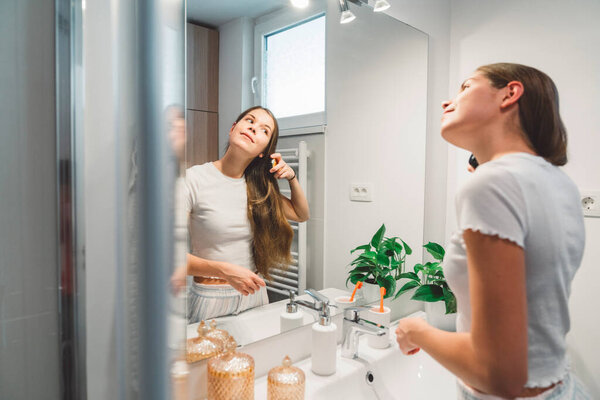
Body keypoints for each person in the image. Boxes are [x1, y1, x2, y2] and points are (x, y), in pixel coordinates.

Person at [395, 63, 590, 399]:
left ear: (510, 93)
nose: (447, 102)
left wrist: (416, 330)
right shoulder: (560, 183)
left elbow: (499, 374)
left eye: (466, 87)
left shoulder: (494, 182)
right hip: (564, 386)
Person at [173, 106, 309, 323]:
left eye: (264, 130)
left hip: (254, 297)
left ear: (264, 151)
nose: (254, 128)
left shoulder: (259, 187)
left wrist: (292, 177)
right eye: (250, 121)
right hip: (210, 299)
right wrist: (224, 271)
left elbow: (301, 214)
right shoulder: (193, 179)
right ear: (233, 128)